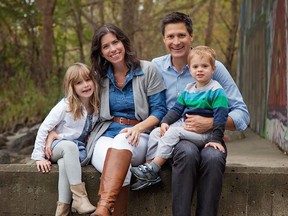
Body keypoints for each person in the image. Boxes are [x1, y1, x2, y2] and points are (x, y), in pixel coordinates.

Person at [131, 12, 250, 216]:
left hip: (209, 136)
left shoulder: (213, 67)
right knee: (187, 152)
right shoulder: (156, 67)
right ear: (163, 39)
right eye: (170, 36)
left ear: (191, 36)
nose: (176, 42)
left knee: (213, 157)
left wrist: (211, 123)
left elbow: (242, 114)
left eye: (181, 35)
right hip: (176, 138)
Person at [85, 23, 166, 216]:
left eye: (115, 42)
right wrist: (52, 131)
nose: (112, 49)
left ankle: (103, 208)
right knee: (120, 169)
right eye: (106, 46)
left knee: (123, 141)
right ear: (101, 52)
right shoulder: (98, 76)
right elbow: (73, 101)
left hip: (141, 136)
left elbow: (160, 110)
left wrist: (138, 129)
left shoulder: (148, 69)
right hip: (105, 135)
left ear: (124, 42)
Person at [131, 45, 229, 188]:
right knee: (156, 133)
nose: (200, 69)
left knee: (173, 132)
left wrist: (216, 139)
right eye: (195, 66)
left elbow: (220, 118)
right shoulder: (189, 89)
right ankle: (149, 169)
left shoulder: (216, 90)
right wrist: (165, 122)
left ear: (213, 69)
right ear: (189, 69)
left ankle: (155, 167)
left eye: (205, 66)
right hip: (187, 128)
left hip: (204, 135)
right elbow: (177, 109)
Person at [31, 63, 99, 216]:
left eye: (88, 80)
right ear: (72, 87)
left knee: (64, 165)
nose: (85, 85)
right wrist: (38, 157)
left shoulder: (96, 105)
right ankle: (80, 198)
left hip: (75, 151)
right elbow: (44, 128)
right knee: (69, 147)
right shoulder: (65, 105)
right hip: (56, 147)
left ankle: (62, 211)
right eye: (79, 82)